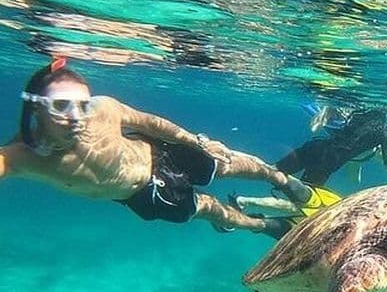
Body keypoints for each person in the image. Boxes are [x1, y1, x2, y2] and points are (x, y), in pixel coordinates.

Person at [0, 58, 316, 234]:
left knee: (225, 164)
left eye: (82, 105)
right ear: (36, 106)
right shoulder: (19, 157)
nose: (75, 117)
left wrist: (196, 140)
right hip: (140, 196)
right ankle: (260, 225)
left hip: (159, 155)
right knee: (206, 210)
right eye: (62, 105)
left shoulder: (104, 109)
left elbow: (149, 123)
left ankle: (280, 179)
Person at [229, 103, 387, 217]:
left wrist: (324, 112)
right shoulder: (385, 132)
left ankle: (229, 155)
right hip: (326, 163)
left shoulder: (359, 114)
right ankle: (243, 201)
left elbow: (318, 125)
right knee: (301, 204)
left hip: (315, 147)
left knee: (268, 169)